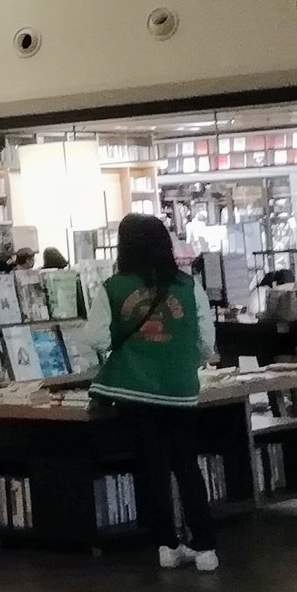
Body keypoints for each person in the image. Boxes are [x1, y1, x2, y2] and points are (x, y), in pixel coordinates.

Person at [85, 213, 221, 572]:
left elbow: (95, 337)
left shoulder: (113, 287)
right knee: (186, 465)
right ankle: (206, 548)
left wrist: (127, 349)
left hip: (135, 391)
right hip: (180, 389)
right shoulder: (188, 286)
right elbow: (206, 342)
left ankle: (166, 545)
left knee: (152, 468)